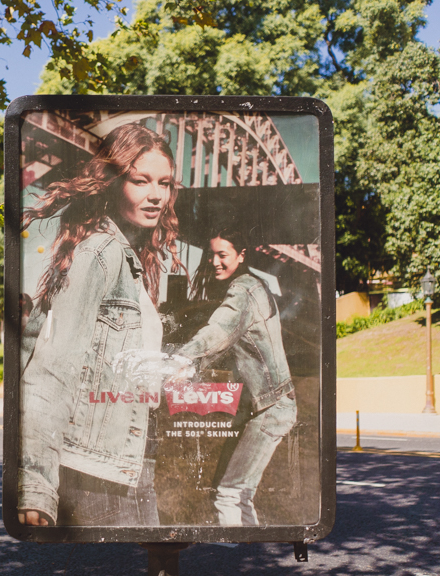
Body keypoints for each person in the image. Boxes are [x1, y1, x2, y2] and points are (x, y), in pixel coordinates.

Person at [18, 123, 183, 528]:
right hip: (97, 475)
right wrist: (36, 486)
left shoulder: (130, 258)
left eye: (164, 183)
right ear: (112, 182)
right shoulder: (101, 252)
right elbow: (51, 369)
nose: (156, 195)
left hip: (125, 464)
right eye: (140, 181)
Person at [173, 228, 296, 526]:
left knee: (231, 493)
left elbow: (220, 330)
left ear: (241, 256)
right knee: (235, 492)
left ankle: (238, 559)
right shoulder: (253, 286)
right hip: (266, 406)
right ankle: (244, 549)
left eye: (223, 255)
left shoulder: (243, 291)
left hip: (271, 409)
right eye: (211, 254)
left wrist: (182, 359)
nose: (215, 261)